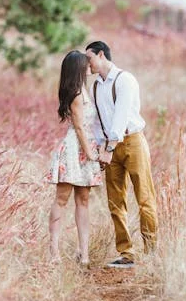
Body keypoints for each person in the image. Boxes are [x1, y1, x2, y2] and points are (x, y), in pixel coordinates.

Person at [85, 41, 158, 269]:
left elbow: (120, 116)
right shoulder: (96, 86)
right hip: (109, 146)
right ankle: (127, 253)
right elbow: (97, 121)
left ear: (100, 54)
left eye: (89, 58)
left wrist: (109, 148)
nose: (87, 64)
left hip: (132, 141)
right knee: (115, 200)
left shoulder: (125, 79)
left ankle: (151, 252)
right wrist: (99, 147)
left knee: (144, 197)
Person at [46, 50, 102, 268]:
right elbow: (78, 126)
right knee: (62, 199)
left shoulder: (84, 90)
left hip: (85, 146)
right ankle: (54, 250)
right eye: (85, 64)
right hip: (75, 148)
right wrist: (89, 153)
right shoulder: (76, 94)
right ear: (77, 68)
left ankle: (84, 251)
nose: (89, 66)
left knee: (84, 201)